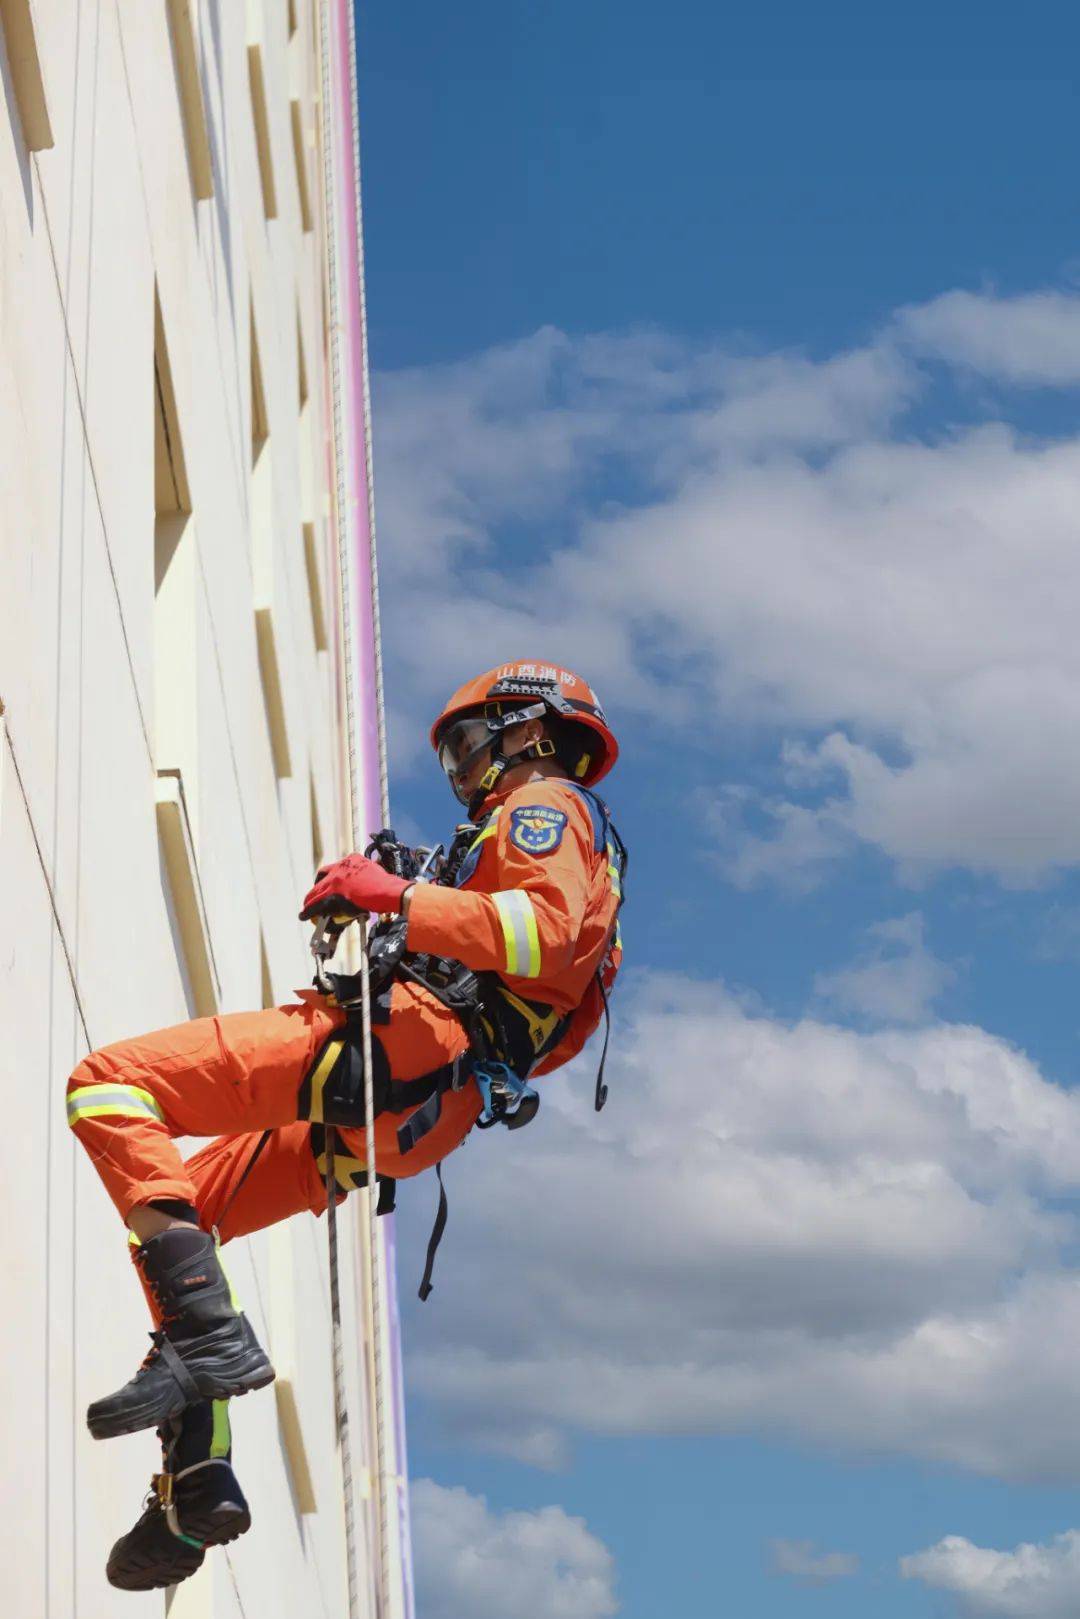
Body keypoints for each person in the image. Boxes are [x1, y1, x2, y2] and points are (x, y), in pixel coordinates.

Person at [67, 661, 626, 1590]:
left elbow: (542, 935)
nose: (459, 762)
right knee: (169, 1218)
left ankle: (207, 1346)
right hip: (419, 1106)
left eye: (466, 740)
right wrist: (416, 890)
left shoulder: (547, 804)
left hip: (408, 1045)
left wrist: (393, 897)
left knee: (109, 1086)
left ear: (530, 728)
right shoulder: (521, 837)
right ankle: (197, 1477)